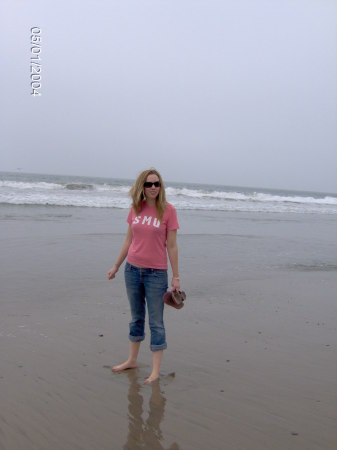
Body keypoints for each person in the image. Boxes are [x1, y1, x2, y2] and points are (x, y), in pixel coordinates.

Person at [108, 169, 180, 384]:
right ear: (142, 186)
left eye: (156, 184)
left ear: (161, 186)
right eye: (148, 184)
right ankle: (132, 360)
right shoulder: (135, 208)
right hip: (132, 270)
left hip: (156, 274)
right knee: (136, 317)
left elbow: (173, 246)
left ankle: (156, 371)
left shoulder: (168, 211)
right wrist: (116, 266)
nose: (153, 188)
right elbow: (128, 240)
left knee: (156, 322)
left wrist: (176, 277)